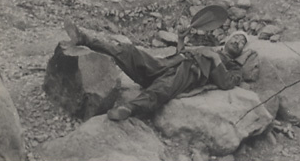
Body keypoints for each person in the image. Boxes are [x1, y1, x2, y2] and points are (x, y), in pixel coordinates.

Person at [64, 19, 259, 121]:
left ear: (242, 50)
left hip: (188, 74)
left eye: (242, 42)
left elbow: (226, 84)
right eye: (236, 37)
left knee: (163, 88)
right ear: (228, 39)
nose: (238, 41)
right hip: (167, 63)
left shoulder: (233, 66)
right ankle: (86, 39)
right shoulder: (208, 46)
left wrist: (216, 59)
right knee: (130, 51)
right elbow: (182, 53)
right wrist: (181, 39)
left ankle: (129, 109)